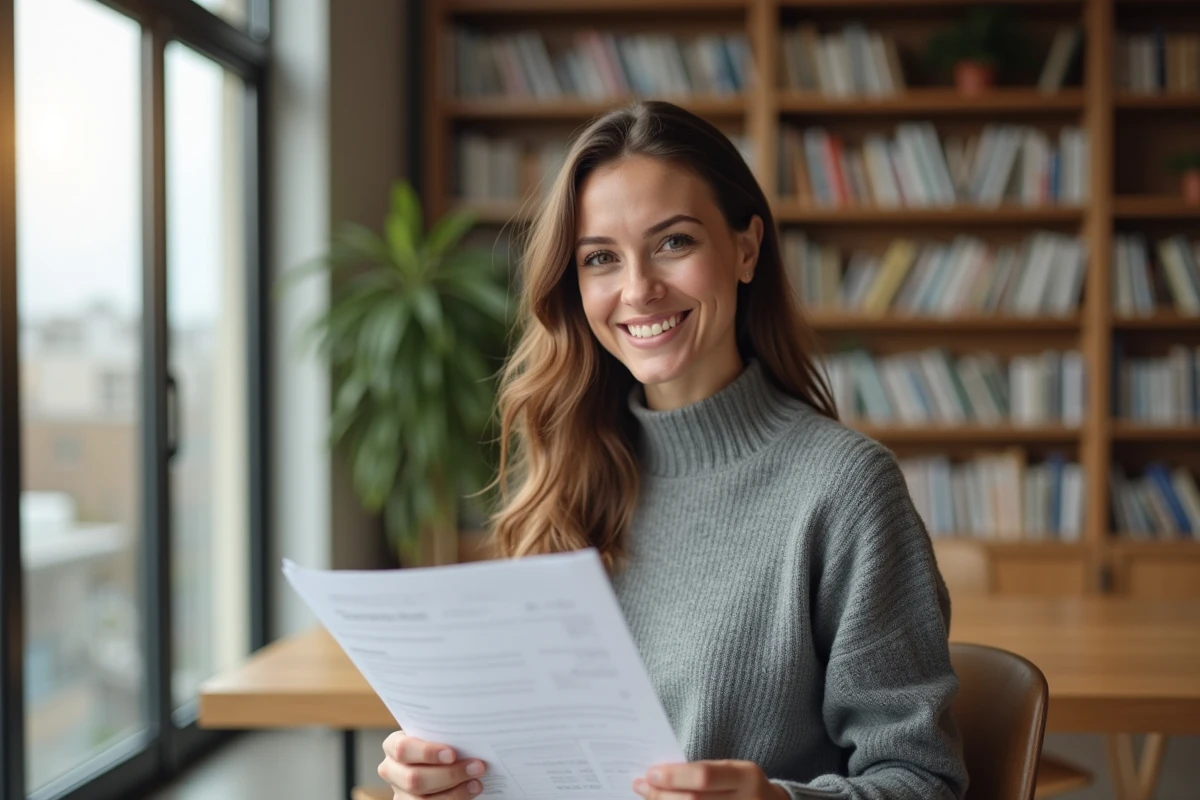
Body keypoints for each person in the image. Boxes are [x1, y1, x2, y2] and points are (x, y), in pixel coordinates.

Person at [377, 100, 968, 800]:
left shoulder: (843, 488)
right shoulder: (566, 470)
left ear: (746, 249)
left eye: (674, 243)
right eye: (600, 258)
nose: (638, 290)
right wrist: (455, 780)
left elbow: (924, 782)